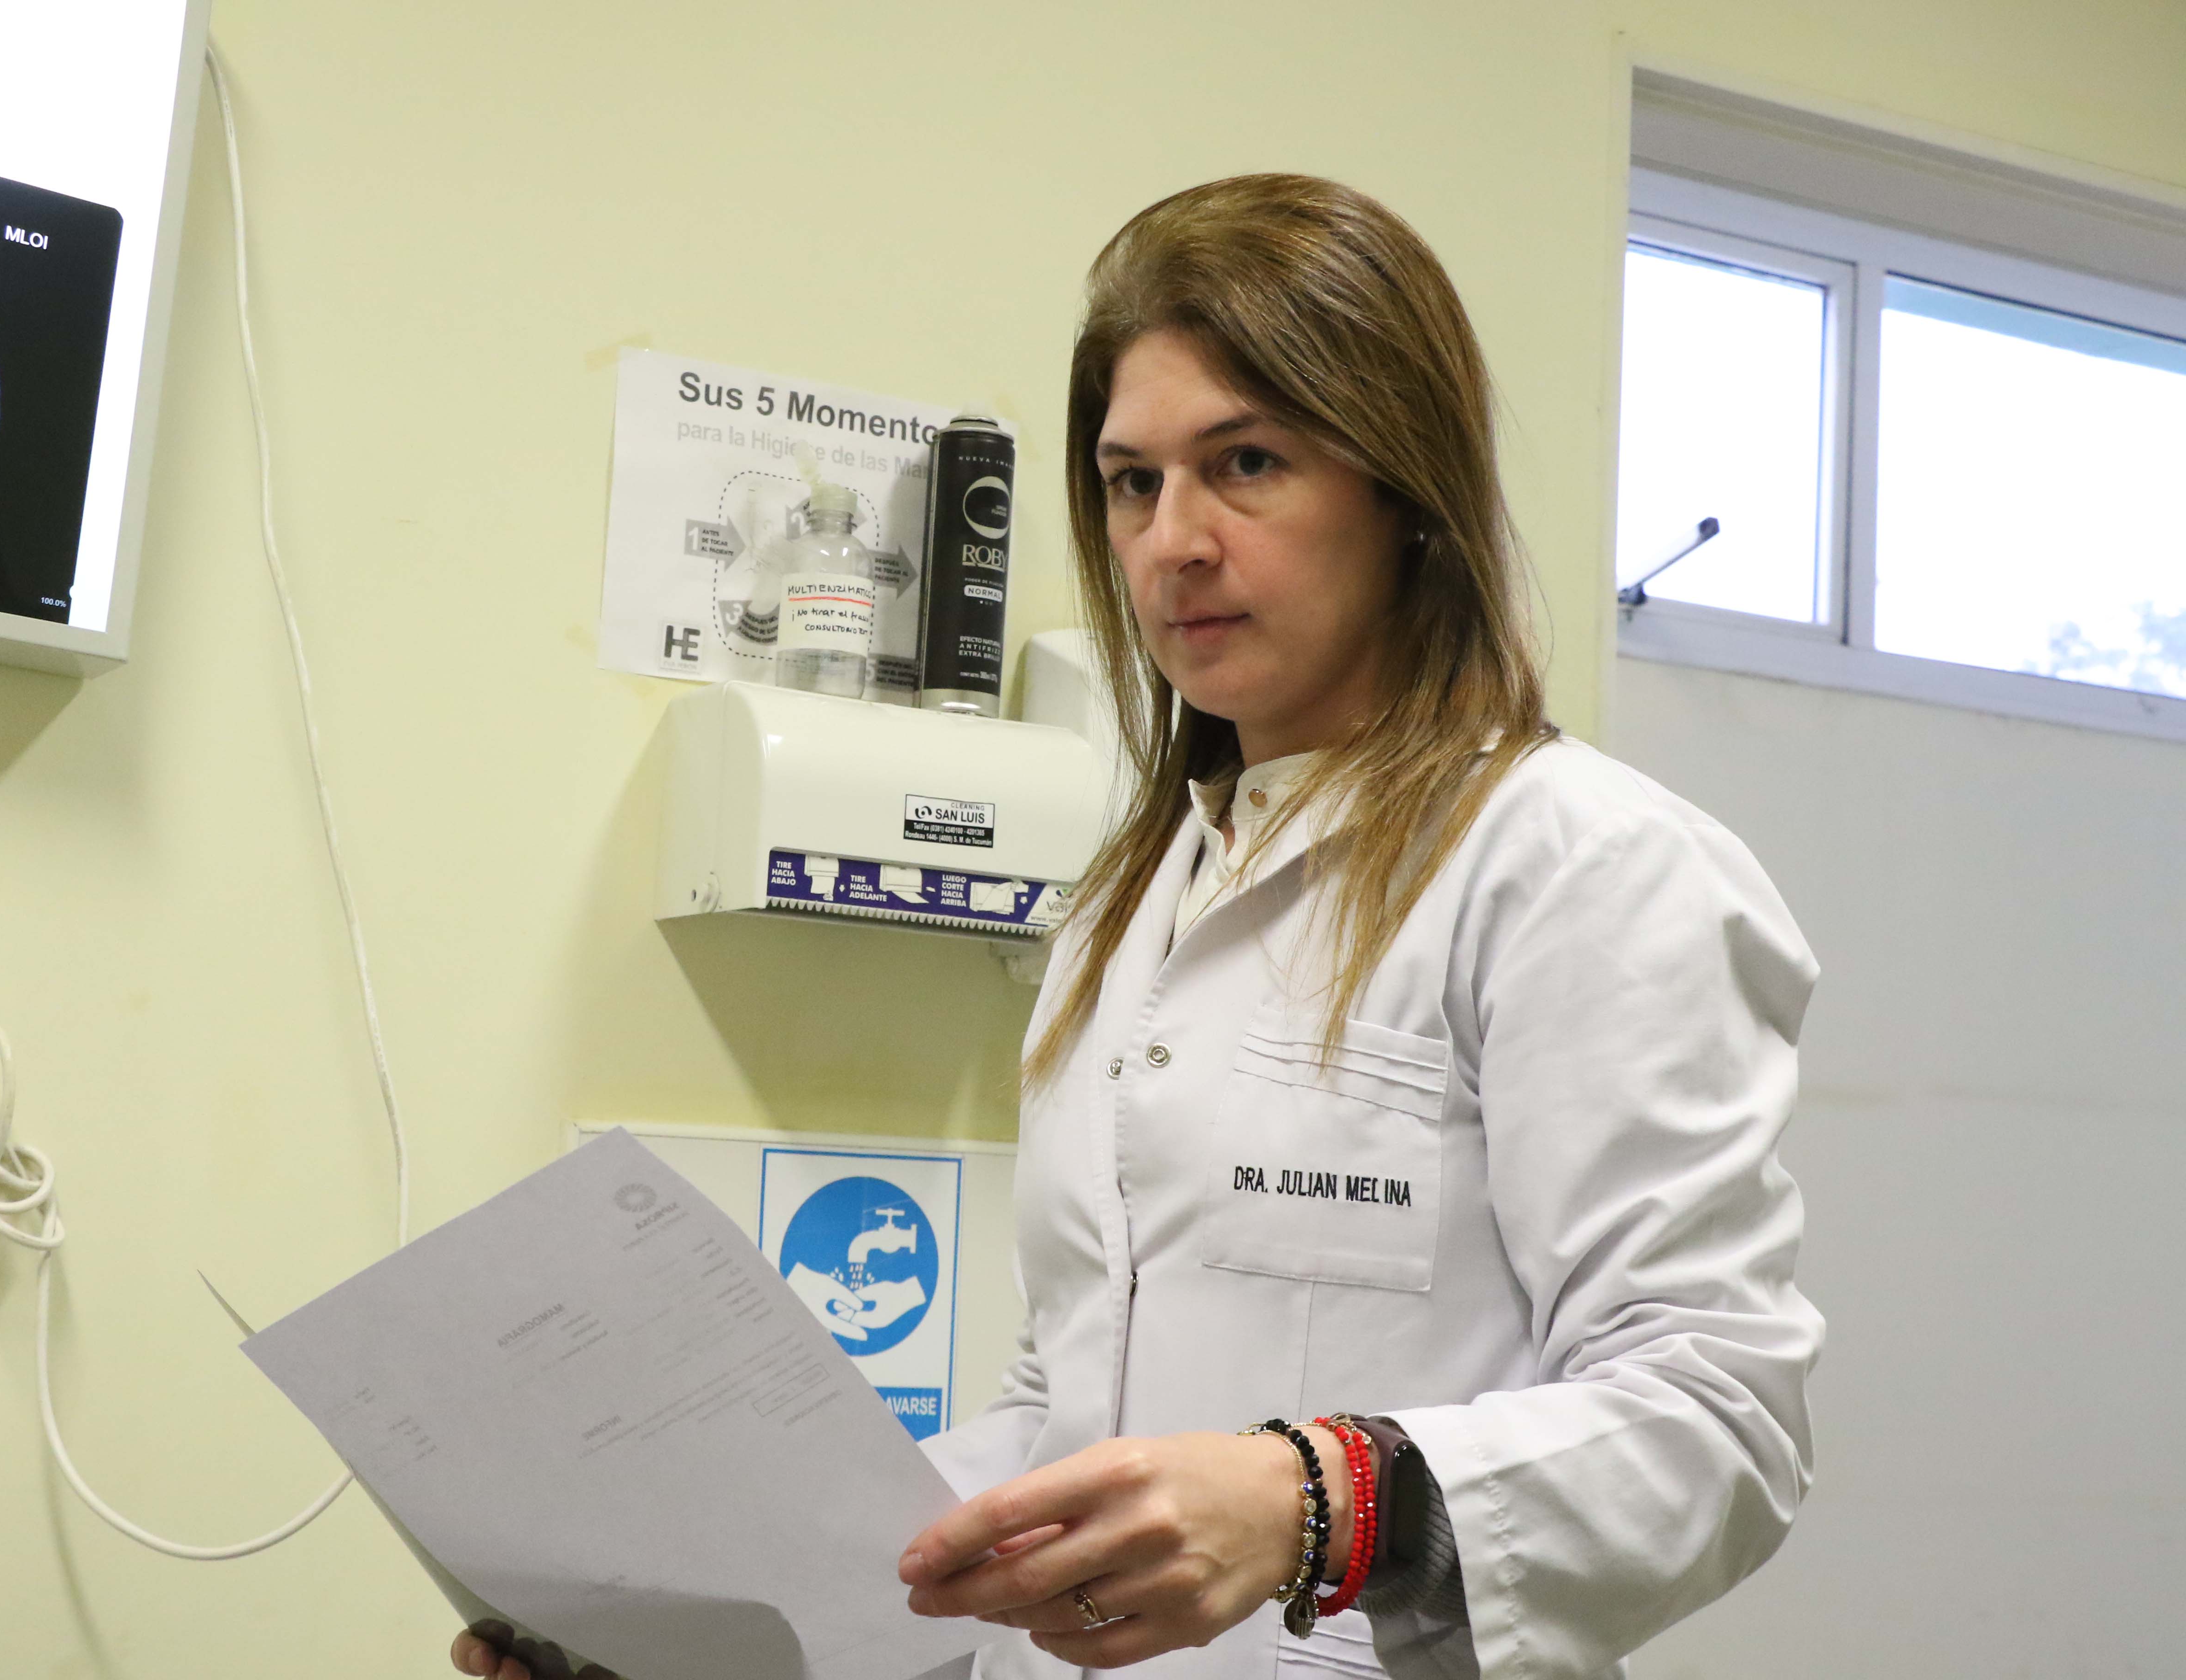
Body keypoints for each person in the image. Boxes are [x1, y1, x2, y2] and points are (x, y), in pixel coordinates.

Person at [455, 173, 1821, 1680]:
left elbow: (1717, 1422)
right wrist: (712, 1625)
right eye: (1131, 483)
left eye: (1247, 464)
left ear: (1405, 494)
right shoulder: (1129, 900)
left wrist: (1313, 1499)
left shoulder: (1580, 866)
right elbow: (1066, 1408)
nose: (1174, 541)